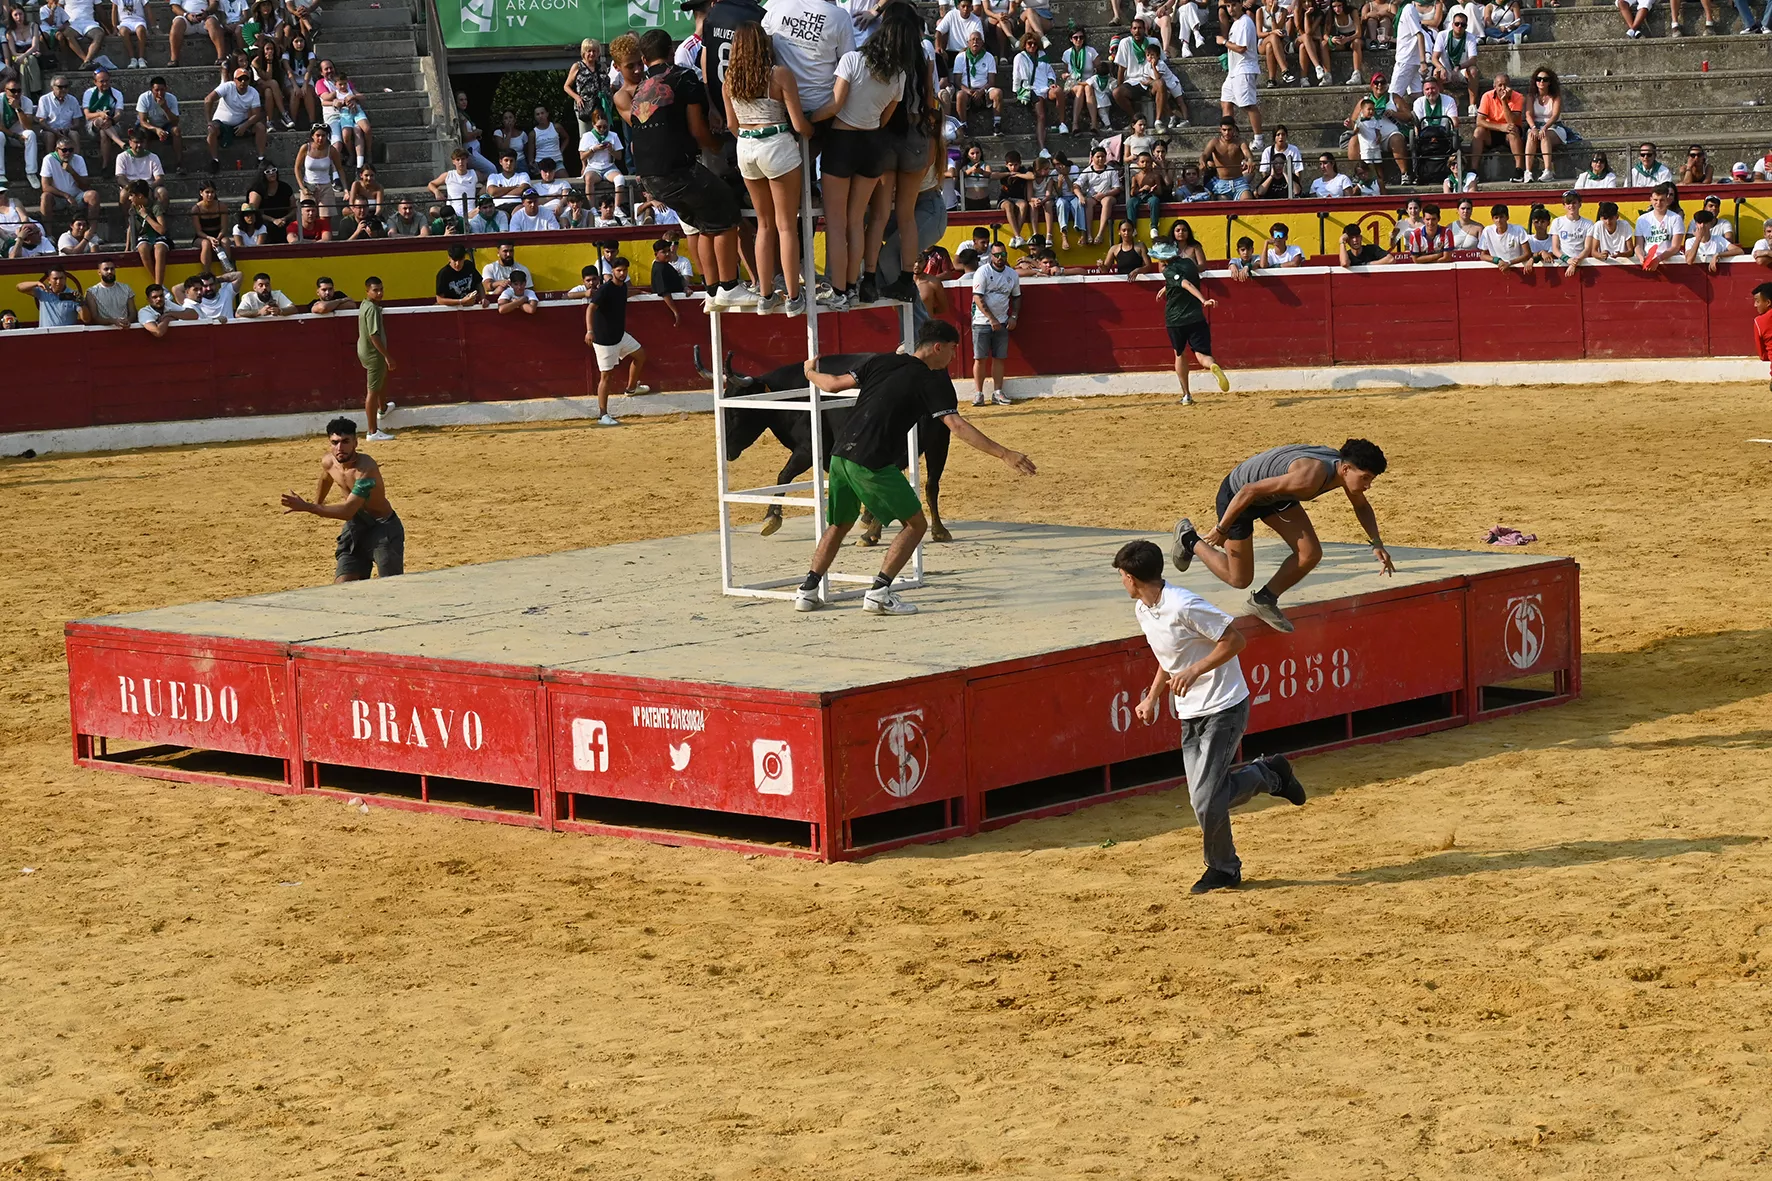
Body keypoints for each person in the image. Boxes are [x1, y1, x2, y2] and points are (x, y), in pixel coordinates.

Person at [794, 320, 1036, 615]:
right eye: (952, 349)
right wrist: (1004, 454)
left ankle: (807, 591)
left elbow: (832, 385)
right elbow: (957, 426)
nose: (953, 356)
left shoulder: (881, 361)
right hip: (872, 462)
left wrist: (809, 372)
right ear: (938, 347)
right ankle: (879, 593)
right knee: (916, 524)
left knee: (839, 525)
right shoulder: (932, 381)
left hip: (840, 456)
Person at [1113, 538, 1305, 894]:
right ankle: (1269, 774)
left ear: (1131, 577)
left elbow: (1234, 640)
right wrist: (1152, 697)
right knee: (1205, 797)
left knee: (1205, 799)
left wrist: (1195, 670)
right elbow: (1170, 656)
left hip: (1224, 706)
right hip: (1189, 712)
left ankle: (1224, 869)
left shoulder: (1184, 604)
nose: (1121, 581)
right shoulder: (1144, 609)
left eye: (1121, 576)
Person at [1171, 439, 1392, 633]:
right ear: (1345, 469)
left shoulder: (1341, 467)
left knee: (1310, 554)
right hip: (1238, 495)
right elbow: (1249, 490)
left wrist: (1377, 543)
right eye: (1365, 478)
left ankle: (1263, 600)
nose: (1368, 486)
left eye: (1371, 479)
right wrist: (1221, 529)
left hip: (1274, 497)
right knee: (1239, 579)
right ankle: (1189, 539)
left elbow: (1361, 506)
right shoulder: (1309, 478)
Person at [621, 28, 749, 308]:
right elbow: (698, 129)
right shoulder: (684, 77)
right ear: (671, 51)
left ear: (644, 60)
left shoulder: (640, 88)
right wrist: (717, 145)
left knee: (703, 224)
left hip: (649, 178)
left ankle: (712, 291)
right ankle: (729, 286)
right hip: (676, 170)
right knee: (727, 210)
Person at [722, 18, 813, 316]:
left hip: (746, 147)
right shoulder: (780, 74)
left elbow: (732, 125)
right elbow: (799, 124)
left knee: (763, 225)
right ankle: (793, 296)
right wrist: (813, 130)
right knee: (787, 225)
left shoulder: (729, 82)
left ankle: (765, 294)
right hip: (776, 143)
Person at [279, 417, 404, 583]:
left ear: (355, 443)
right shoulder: (329, 461)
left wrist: (310, 507)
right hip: (355, 526)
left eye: (345, 441)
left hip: (382, 527)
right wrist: (318, 502)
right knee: (343, 585)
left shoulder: (365, 470)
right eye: (335, 442)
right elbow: (326, 478)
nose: (340, 448)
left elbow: (347, 511)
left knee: (391, 584)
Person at [1157, 241, 1226, 407]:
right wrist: (1168, 287)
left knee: (1179, 354)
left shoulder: (1168, 270)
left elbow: (1185, 284)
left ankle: (1186, 395)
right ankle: (1212, 365)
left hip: (1176, 320)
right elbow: (1186, 279)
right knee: (1202, 355)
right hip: (1196, 317)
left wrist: (1203, 300)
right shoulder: (1189, 263)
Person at [588, 254, 646, 424]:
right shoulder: (604, 289)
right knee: (606, 377)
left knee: (641, 355)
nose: (622, 273)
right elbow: (590, 309)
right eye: (619, 270)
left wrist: (639, 291)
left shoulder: (622, 287)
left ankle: (631, 388)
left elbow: (624, 294)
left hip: (619, 335)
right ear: (612, 270)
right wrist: (589, 331)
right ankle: (602, 415)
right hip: (604, 339)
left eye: (625, 270)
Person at [970, 240, 1019, 406]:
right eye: (997, 255)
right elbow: (978, 297)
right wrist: (992, 319)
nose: (1000, 258)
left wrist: (1014, 316)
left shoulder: (1012, 274)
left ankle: (997, 392)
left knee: (999, 358)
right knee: (980, 358)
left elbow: (1017, 297)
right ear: (991, 256)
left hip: (1003, 321)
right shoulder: (982, 272)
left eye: (1003, 254)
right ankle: (978, 393)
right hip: (982, 322)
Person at [1221, 0, 1263, 148]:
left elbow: (1241, 48)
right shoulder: (1236, 23)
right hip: (1234, 71)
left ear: (1240, 5)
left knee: (1248, 105)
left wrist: (1224, 42)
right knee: (1226, 102)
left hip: (1244, 69)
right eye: (1228, 6)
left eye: (1233, 5)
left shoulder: (1245, 22)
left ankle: (1258, 139)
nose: (1230, 9)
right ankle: (1230, 136)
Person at [15, 266, 83, 326]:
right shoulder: (43, 292)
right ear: (49, 280)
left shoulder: (73, 295)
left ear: (65, 279)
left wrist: (81, 303)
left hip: (67, 334)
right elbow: (19, 287)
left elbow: (86, 319)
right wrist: (37, 283)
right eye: (55, 279)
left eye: (61, 278)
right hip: (46, 334)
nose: (58, 282)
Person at [83, 257, 134, 327]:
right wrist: (113, 321)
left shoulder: (126, 288)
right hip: (104, 331)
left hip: (126, 329)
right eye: (106, 269)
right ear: (99, 272)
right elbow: (95, 318)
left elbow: (133, 313)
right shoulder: (91, 292)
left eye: (112, 269)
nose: (110, 271)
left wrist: (127, 321)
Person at [435, 241, 485, 307]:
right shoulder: (443, 274)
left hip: (471, 307)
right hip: (452, 309)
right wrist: (461, 302)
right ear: (449, 258)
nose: (457, 264)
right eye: (454, 260)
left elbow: (478, 283)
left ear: (464, 258)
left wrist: (483, 298)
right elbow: (439, 299)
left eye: (460, 260)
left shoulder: (469, 266)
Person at [1753, 283, 1772, 393]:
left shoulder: (1759, 322)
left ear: (1768, 302)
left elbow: (1763, 355)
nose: (1755, 305)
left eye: (1757, 301)